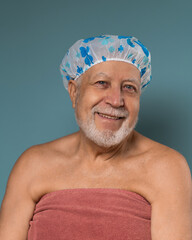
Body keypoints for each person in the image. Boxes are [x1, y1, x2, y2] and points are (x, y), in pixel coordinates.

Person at [0, 35, 191, 240]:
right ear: (74, 92)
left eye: (129, 87)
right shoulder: (32, 165)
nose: (116, 100)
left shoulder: (166, 167)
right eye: (102, 83)